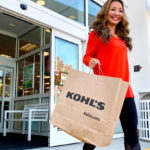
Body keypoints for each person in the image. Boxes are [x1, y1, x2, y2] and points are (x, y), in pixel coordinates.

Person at [82, 0, 141, 150]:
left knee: (132, 134)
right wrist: (92, 61)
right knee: (94, 136)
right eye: (113, 9)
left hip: (125, 91)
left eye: (120, 10)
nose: (117, 13)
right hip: (105, 91)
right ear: (106, 11)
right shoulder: (97, 34)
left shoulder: (122, 37)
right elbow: (86, 57)